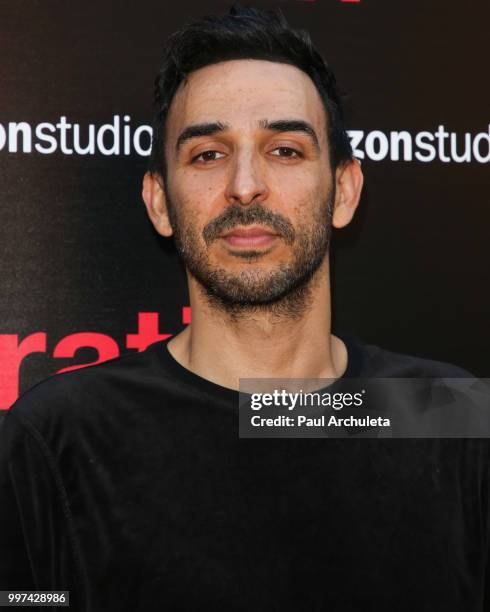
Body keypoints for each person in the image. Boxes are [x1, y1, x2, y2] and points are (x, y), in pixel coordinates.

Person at [0, 5, 488, 611]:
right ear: (159, 202)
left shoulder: (454, 416)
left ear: (345, 191)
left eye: (285, 150)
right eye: (208, 153)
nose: (245, 185)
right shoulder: (56, 438)